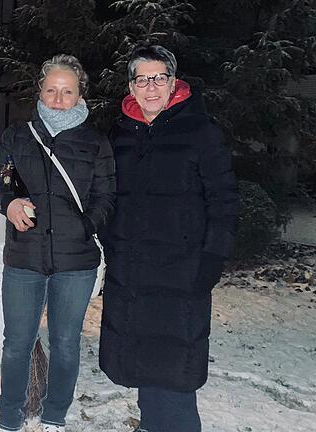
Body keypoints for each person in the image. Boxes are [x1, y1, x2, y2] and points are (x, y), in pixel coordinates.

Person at [97, 45, 239, 432]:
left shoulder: (201, 131)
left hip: (181, 270)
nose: (152, 87)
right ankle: (149, 423)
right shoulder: (121, 133)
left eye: (160, 77)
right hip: (133, 272)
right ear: (131, 86)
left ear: (174, 82)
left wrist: (212, 259)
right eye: (142, 79)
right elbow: (108, 195)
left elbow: (224, 199)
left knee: (175, 365)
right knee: (143, 355)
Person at [0, 54, 116, 432]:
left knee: (65, 342)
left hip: (76, 262)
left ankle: (55, 415)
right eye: (51, 90)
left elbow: (107, 197)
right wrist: (7, 204)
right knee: (16, 343)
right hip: (24, 257)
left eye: (67, 91)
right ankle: (9, 416)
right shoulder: (18, 135)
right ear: (40, 91)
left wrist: (84, 226)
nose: (58, 99)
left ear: (79, 96)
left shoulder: (95, 142)